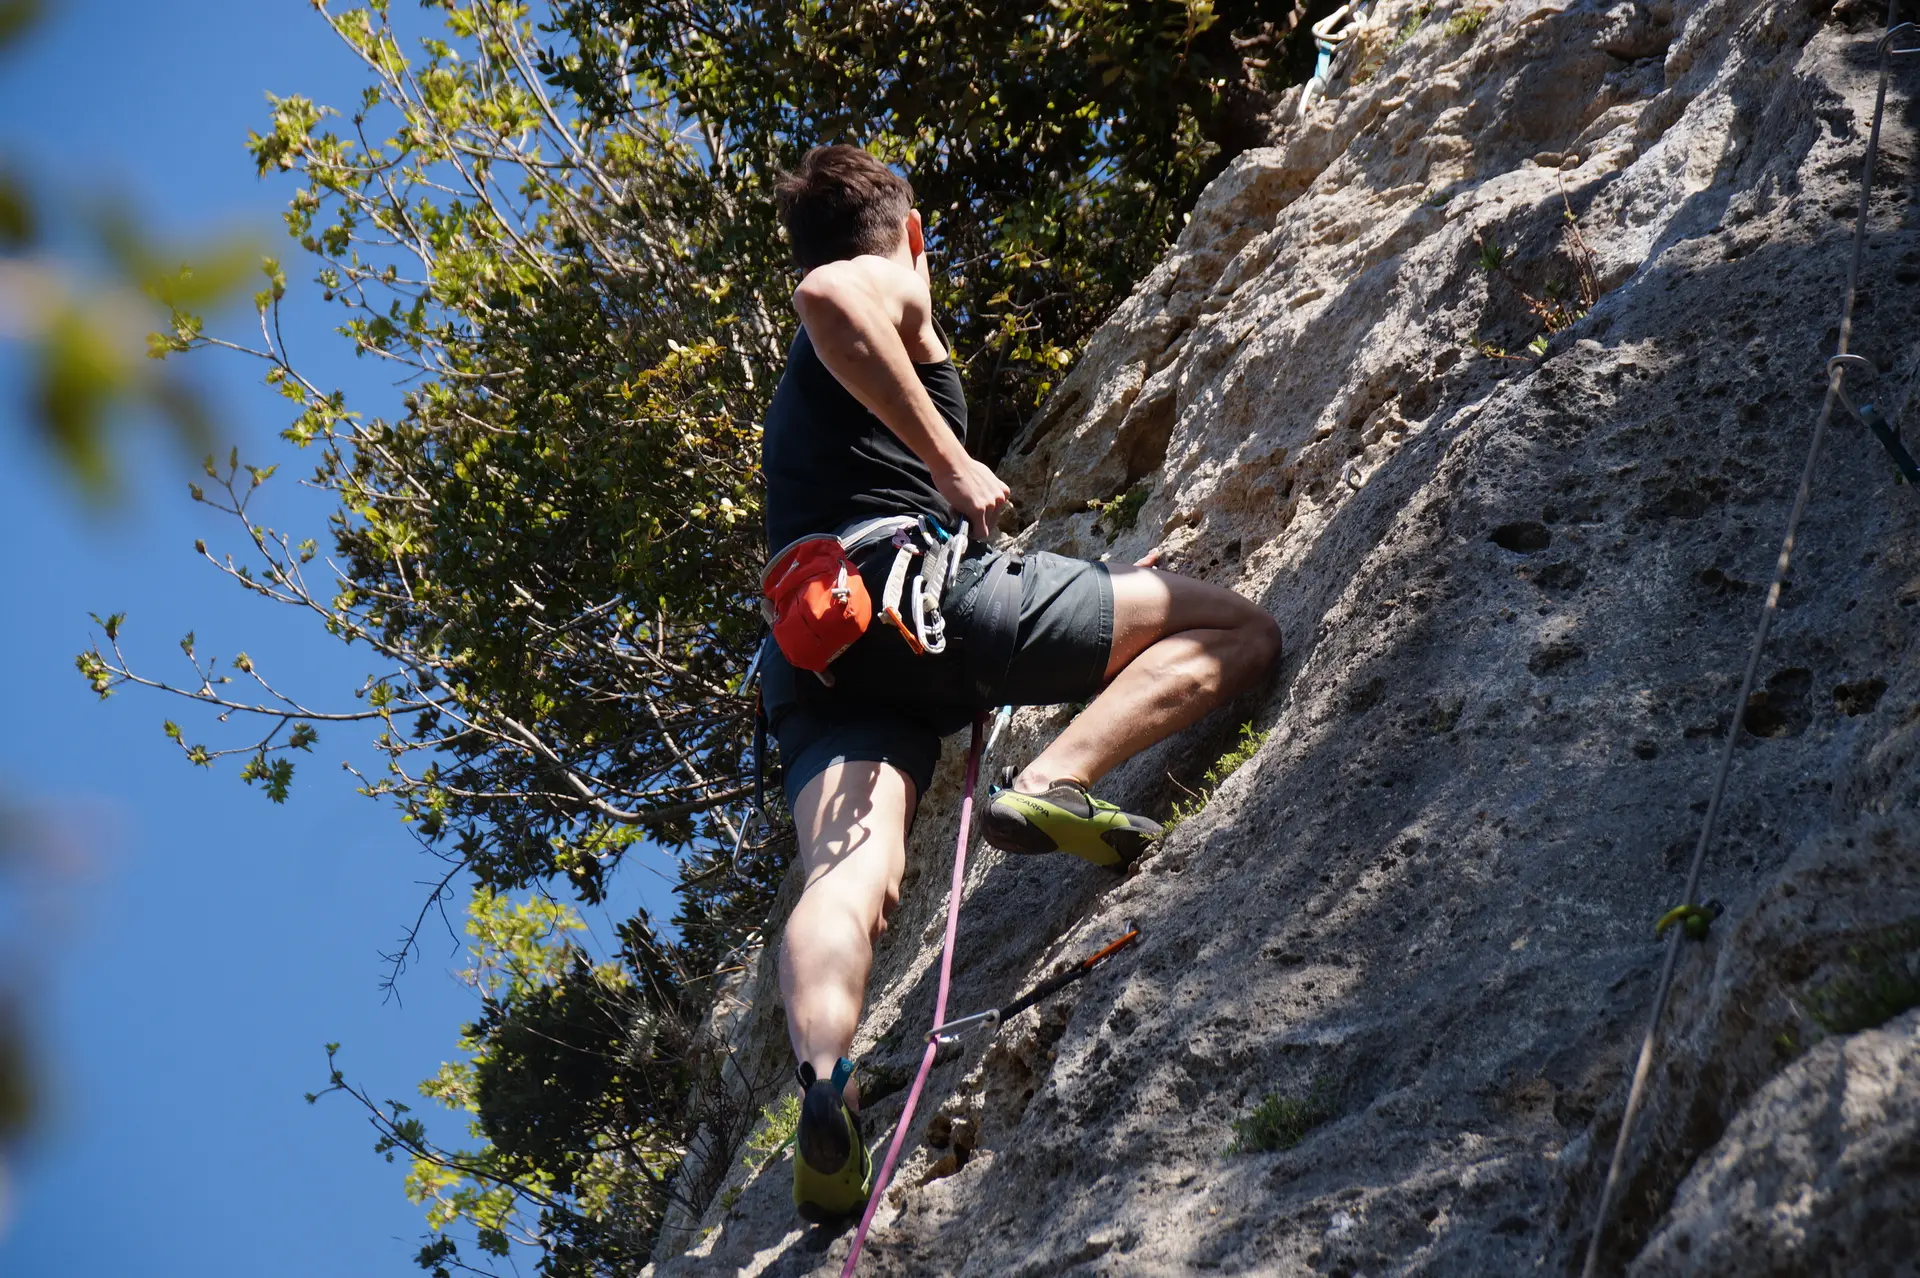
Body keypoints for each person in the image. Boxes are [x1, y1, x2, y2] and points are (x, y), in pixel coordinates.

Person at [758, 145, 1283, 1221]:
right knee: (1242, 627)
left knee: (843, 884)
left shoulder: (800, 414)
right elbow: (823, 296)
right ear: (911, 234)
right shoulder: (885, 273)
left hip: (818, 659)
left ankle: (825, 1081)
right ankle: (1060, 775)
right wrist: (952, 463)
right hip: (924, 597)